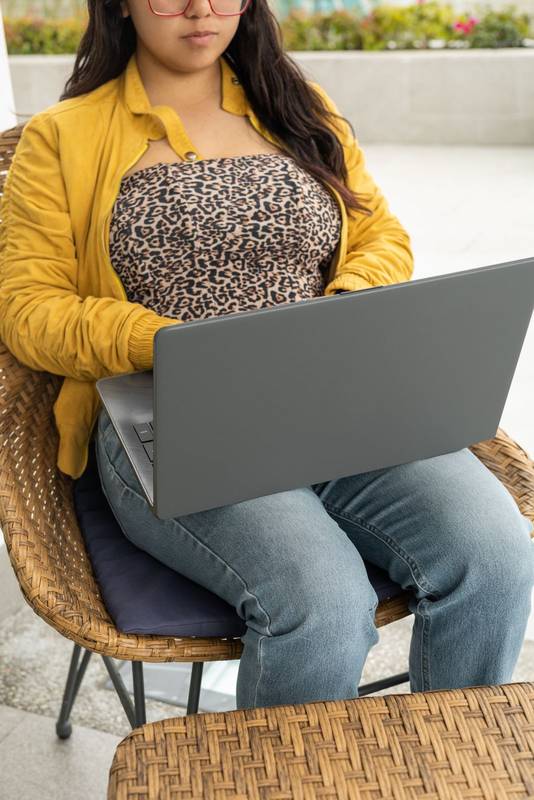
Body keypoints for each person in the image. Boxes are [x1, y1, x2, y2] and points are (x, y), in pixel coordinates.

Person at [1, 0, 533, 712]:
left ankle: (447, 766)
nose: (200, 10)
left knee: (496, 558)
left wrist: (347, 299)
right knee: (323, 601)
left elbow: (382, 235)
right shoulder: (63, 137)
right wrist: (161, 342)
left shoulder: (296, 108)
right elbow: (27, 308)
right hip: (175, 412)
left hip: (332, 394)